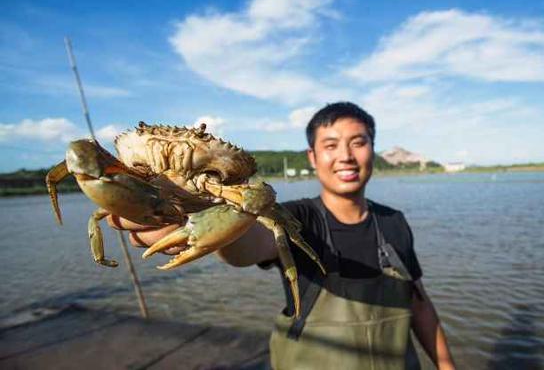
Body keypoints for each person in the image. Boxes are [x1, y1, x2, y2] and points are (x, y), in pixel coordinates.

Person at [109, 102, 456, 369]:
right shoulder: (298, 216)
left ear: (372, 150)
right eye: (331, 145)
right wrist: (191, 216)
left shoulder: (394, 221)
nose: (346, 156)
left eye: (359, 142)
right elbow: (245, 246)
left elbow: (419, 302)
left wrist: (445, 364)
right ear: (313, 156)